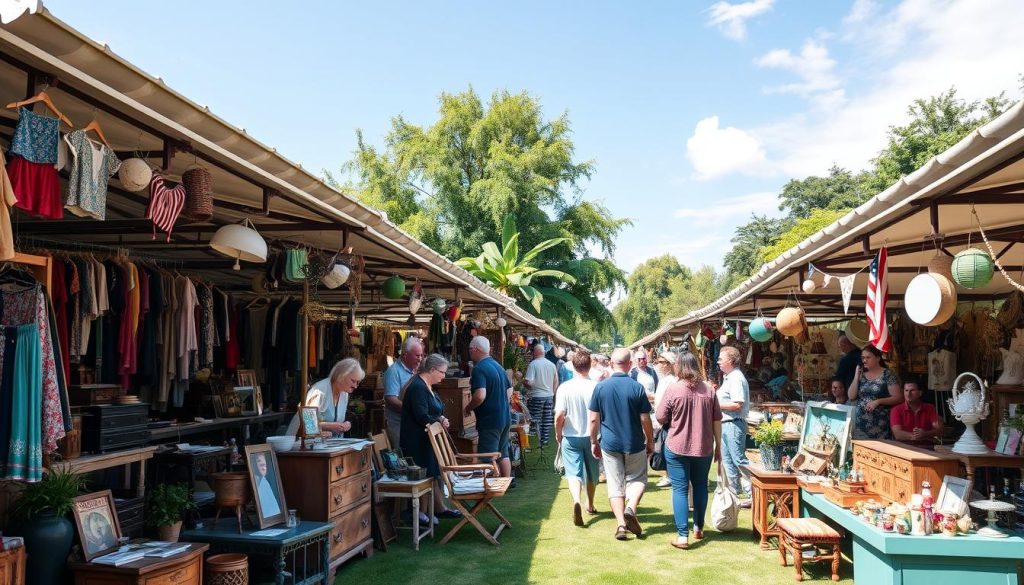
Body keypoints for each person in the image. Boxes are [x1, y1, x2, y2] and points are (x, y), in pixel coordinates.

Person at [657, 352, 722, 550]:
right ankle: (699, 528)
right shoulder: (709, 390)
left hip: (677, 445)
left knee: (680, 489)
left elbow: (660, 416)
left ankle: (682, 535)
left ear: (679, 367)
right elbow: (716, 420)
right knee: (701, 486)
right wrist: (719, 445)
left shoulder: (673, 389)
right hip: (703, 447)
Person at [588, 347, 654, 541]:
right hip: (634, 442)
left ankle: (620, 525)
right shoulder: (637, 387)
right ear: (630, 364)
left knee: (615, 485)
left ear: (611, 364)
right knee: (638, 479)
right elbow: (645, 418)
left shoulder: (600, 387)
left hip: (610, 443)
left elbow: (593, 419)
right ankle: (631, 507)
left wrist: (593, 441)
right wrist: (650, 440)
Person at [399, 353, 461, 523]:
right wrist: (438, 420)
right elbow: (421, 415)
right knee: (425, 477)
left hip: (426, 441)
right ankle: (420, 514)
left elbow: (434, 411)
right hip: (416, 442)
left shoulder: (427, 386)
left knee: (432, 475)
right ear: (432, 370)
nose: (444, 376)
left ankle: (430, 512)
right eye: (442, 372)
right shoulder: (418, 387)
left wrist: (441, 419)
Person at [554, 350, 600, 526]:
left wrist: (558, 433)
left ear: (573, 365)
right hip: (593, 435)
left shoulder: (565, 387)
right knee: (593, 473)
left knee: (573, 472)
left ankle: (577, 500)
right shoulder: (596, 387)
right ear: (590, 365)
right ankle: (590, 503)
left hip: (571, 435)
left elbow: (559, 415)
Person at [465, 336, 515, 479]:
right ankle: (506, 483)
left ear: (475, 349)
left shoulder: (479, 368)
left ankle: (491, 486)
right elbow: (509, 390)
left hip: (490, 420)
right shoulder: (497, 365)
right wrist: (501, 403)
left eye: (470, 349)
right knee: (502, 452)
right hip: (504, 417)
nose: (469, 352)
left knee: (487, 457)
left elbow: (480, 395)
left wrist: (469, 407)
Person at [716, 345, 751, 503]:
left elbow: (738, 404)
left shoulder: (736, 378)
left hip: (734, 424)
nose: (718, 362)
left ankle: (753, 492)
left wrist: (715, 405)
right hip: (726, 424)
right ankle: (733, 495)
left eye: (721, 359)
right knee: (727, 460)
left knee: (738, 460)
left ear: (730, 360)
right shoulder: (729, 377)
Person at [849, 345, 904, 439]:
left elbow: (899, 398)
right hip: (860, 424)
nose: (864, 360)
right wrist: (856, 376)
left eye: (868, 357)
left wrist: (878, 401)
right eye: (863, 358)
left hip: (880, 425)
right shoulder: (861, 374)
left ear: (878, 358)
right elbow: (851, 396)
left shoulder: (887, 374)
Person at [304, 358, 364, 437]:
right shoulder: (319, 392)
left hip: (333, 445)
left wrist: (346, 424)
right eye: (353, 381)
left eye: (357, 382)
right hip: (314, 446)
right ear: (341, 376)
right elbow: (308, 425)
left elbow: (338, 419)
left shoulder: (344, 393)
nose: (355, 386)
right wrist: (330, 426)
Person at [383, 336, 424, 449]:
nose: (420, 359)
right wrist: (412, 409)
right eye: (417, 355)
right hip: (398, 425)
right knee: (402, 457)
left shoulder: (416, 370)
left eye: (421, 355)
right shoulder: (393, 372)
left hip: (413, 423)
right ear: (405, 355)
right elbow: (391, 399)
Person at [890, 378, 942, 448]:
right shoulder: (896, 410)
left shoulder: (930, 408)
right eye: (906, 390)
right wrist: (916, 436)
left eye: (912, 390)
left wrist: (925, 433)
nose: (908, 394)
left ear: (920, 393)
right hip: (904, 448)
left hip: (926, 448)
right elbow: (898, 434)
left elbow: (939, 430)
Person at [524, 344, 559, 447]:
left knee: (536, 420)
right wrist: (552, 392)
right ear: (543, 352)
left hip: (536, 396)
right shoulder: (551, 364)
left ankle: (536, 441)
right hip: (548, 396)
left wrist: (525, 384)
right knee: (546, 420)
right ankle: (544, 441)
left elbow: (528, 382)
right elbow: (556, 380)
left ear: (535, 352)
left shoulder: (533, 364)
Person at [653, 350, 678, 487]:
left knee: (667, 448)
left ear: (670, 364)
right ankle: (669, 475)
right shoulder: (665, 380)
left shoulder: (671, 381)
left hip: (668, 420)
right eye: (659, 362)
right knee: (664, 448)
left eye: (663, 362)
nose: (659, 365)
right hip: (663, 419)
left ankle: (671, 476)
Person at [253, 451, 282, 518]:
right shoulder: (256, 480)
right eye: (259, 462)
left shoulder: (266, 481)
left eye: (264, 464)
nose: (263, 467)